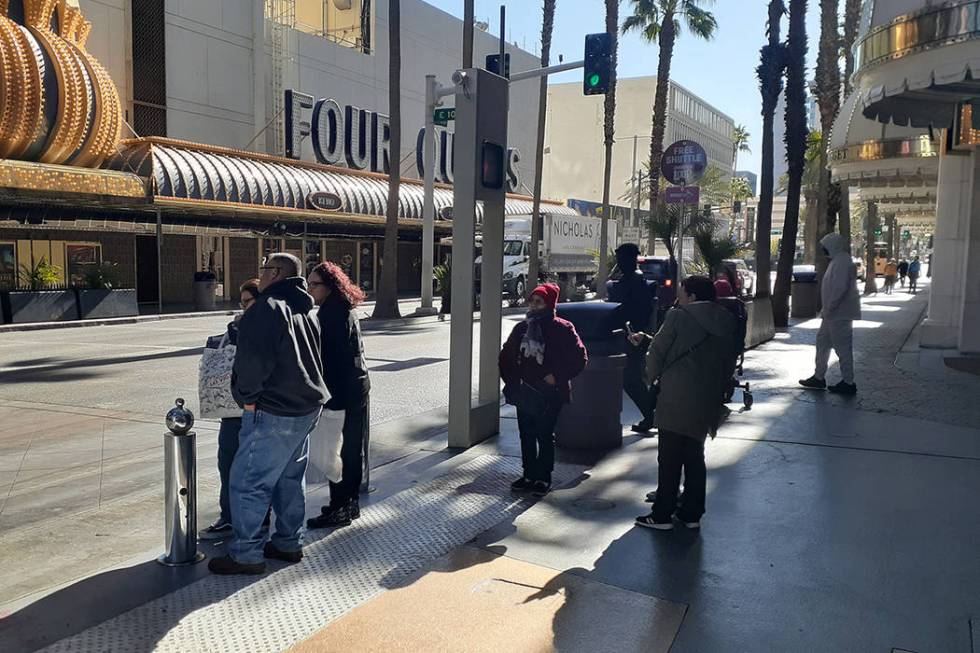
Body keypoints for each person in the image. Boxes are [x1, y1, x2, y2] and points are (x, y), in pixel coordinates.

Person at [209, 253, 328, 575]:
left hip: (273, 408)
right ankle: (289, 542)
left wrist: (247, 400)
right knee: (289, 479)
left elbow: (254, 363)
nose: (259, 275)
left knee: (249, 481)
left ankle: (246, 554)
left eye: (262, 269)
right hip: (305, 406)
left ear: (274, 273)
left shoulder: (267, 307)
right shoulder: (305, 309)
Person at [631, 276, 738, 531]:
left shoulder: (679, 316)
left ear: (691, 296)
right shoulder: (727, 320)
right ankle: (691, 513)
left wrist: (652, 378)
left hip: (676, 395)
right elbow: (729, 360)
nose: (678, 296)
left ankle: (662, 514)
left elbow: (657, 351)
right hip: (707, 396)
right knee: (694, 455)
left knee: (669, 456)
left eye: (681, 292)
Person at [499, 283, 587, 498]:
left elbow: (579, 358)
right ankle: (528, 474)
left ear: (550, 304)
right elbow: (506, 357)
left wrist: (556, 377)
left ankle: (543, 477)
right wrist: (512, 381)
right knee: (526, 434)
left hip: (551, 393)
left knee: (544, 434)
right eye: (532, 300)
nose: (534, 305)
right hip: (525, 391)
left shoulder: (562, 328)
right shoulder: (521, 328)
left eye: (539, 301)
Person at [199, 279, 270, 540]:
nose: (243, 307)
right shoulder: (241, 326)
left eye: (248, 301)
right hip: (233, 408)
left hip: (256, 407)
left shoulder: (267, 326)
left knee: (251, 466)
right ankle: (230, 515)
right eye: (241, 302)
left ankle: (253, 518)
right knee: (227, 461)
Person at [306, 262, 372, 530]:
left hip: (341, 391)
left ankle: (340, 506)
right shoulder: (343, 308)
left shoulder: (330, 314)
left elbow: (329, 360)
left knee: (338, 450)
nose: (310, 289)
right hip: (356, 387)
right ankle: (349, 504)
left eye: (314, 284)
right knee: (351, 448)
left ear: (329, 286)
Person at [800, 233, 861, 396]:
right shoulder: (838, 261)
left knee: (843, 348)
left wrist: (830, 308)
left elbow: (839, 289)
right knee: (823, 344)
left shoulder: (842, 261)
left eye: (825, 246)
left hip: (838, 314)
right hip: (832, 313)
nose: (823, 249)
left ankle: (848, 382)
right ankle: (819, 377)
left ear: (832, 246)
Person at [606, 243, 657, 433]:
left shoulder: (632, 281)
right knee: (633, 378)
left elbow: (622, 307)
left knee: (631, 380)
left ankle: (650, 415)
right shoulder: (632, 280)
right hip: (631, 335)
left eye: (622, 259)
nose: (619, 262)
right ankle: (650, 414)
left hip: (632, 336)